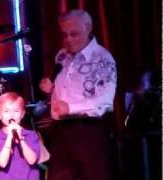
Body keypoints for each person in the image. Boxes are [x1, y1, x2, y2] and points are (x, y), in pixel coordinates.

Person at [39, 9, 117, 180]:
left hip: (88, 131)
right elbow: (66, 88)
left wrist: (71, 108)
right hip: (61, 132)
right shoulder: (62, 55)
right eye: (64, 34)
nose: (68, 39)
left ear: (88, 27)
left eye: (73, 34)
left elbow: (105, 100)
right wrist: (49, 87)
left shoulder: (102, 58)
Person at [0, 92, 40, 180]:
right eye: (6, 111)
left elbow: (32, 160)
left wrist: (21, 138)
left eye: (16, 111)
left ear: (22, 114)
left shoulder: (31, 135)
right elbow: (2, 163)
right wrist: (9, 138)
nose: (11, 114)